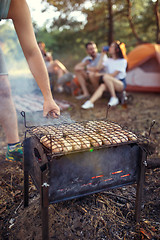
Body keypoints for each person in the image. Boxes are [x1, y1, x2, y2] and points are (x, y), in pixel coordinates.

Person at [0, 0, 60, 162]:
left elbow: (32, 51)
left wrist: (48, 98)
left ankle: (13, 148)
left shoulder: (14, 3)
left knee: (3, 88)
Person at [81, 41, 127, 109]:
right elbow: (98, 68)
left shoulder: (122, 61)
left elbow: (113, 75)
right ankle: (90, 102)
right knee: (102, 85)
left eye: (111, 46)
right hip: (109, 82)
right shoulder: (108, 60)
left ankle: (114, 97)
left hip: (120, 84)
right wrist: (102, 54)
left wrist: (101, 74)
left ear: (117, 50)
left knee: (106, 77)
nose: (109, 48)